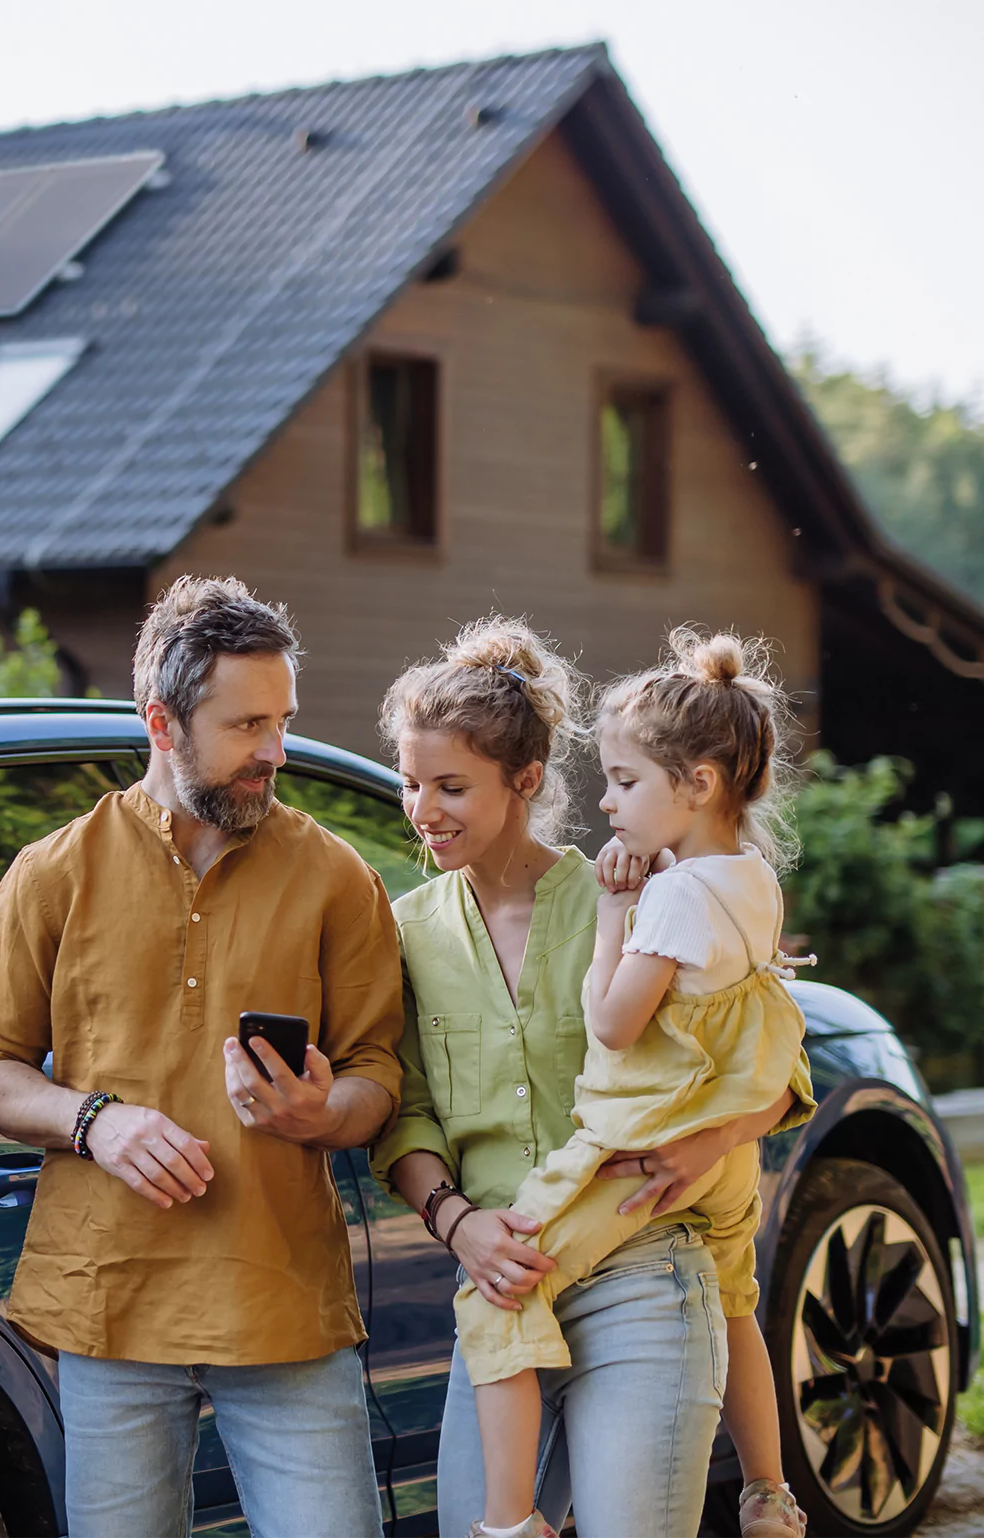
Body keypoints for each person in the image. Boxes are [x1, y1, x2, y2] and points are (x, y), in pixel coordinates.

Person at [0, 575, 404, 1538]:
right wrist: (95, 1121)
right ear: (163, 722)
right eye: (247, 726)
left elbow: (379, 1077)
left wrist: (324, 1114)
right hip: (109, 1306)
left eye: (281, 721)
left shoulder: (338, 878)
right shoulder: (53, 874)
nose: (275, 751)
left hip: (281, 1302)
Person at [370, 617, 806, 1538]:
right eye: (412, 784)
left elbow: (763, 1058)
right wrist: (460, 1225)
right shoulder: (404, 930)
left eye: (450, 787)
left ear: (525, 781)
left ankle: (770, 1491)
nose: (422, 809)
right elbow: (403, 1111)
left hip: (644, 1267)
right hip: (503, 1274)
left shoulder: (641, 891)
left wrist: (708, 1143)